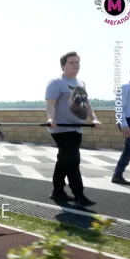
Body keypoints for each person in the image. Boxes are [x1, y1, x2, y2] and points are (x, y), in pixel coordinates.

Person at [45, 51, 101, 207]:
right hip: (61, 129)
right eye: (72, 62)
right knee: (73, 160)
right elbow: (50, 103)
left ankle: (57, 192)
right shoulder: (56, 82)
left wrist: (94, 118)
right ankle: (79, 195)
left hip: (76, 129)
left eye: (77, 62)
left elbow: (86, 104)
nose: (75, 65)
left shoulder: (81, 83)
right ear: (63, 66)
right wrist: (51, 118)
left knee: (64, 160)